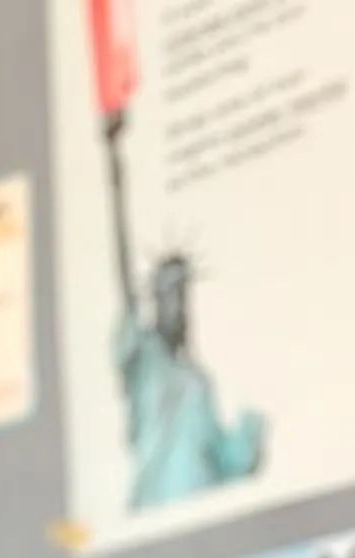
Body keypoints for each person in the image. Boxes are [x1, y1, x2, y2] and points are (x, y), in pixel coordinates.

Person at [101, 109, 266, 511]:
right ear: (155, 297)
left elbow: (227, 463)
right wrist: (114, 164)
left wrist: (250, 432)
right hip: (156, 508)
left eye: (183, 292)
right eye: (168, 292)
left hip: (201, 520)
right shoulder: (144, 360)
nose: (178, 304)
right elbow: (122, 271)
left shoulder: (200, 381)